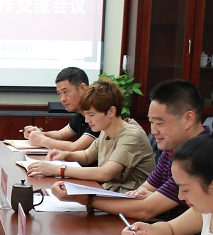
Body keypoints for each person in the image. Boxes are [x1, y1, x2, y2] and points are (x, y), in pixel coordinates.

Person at [52, 79, 207, 221]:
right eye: (151, 122)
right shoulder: (174, 146)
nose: (153, 131)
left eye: (159, 124)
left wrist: (86, 199)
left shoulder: (200, 157)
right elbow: (147, 186)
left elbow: (146, 210)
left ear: (188, 119)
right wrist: (142, 194)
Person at [26, 78, 155, 193]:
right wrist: (65, 155)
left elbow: (105, 173)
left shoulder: (131, 136)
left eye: (91, 115)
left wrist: (58, 169)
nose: (87, 120)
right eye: (86, 115)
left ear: (111, 111)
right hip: (110, 193)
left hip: (129, 200)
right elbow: (87, 156)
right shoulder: (106, 130)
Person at [22, 67, 97, 152]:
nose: (62, 99)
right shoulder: (81, 114)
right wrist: (38, 134)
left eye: (65, 92)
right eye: (59, 93)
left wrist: (42, 140)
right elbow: (61, 134)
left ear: (82, 88)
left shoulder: (98, 114)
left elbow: (75, 147)